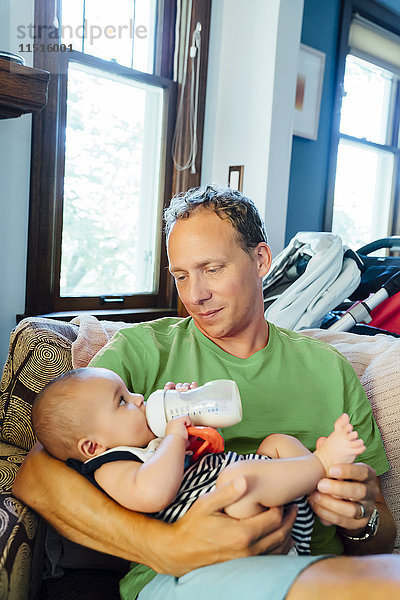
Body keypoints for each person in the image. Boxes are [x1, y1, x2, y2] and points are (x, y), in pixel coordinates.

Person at [13, 185, 398, 600]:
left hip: (309, 563)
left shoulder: (329, 371)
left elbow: (378, 532)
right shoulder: (142, 353)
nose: (195, 294)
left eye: (212, 269)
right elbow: (36, 476)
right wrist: (165, 547)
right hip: (189, 578)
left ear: (261, 260)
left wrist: (361, 519)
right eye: (181, 276)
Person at [32, 366, 367, 558]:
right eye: (122, 402)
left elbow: (204, 449)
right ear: (92, 446)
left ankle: (320, 487)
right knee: (241, 476)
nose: (137, 399)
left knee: (277, 444)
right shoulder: (110, 466)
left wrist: (184, 410)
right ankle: (322, 463)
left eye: (129, 392)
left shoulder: (147, 442)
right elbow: (152, 494)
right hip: (234, 523)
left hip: (276, 509)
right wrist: (174, 438)